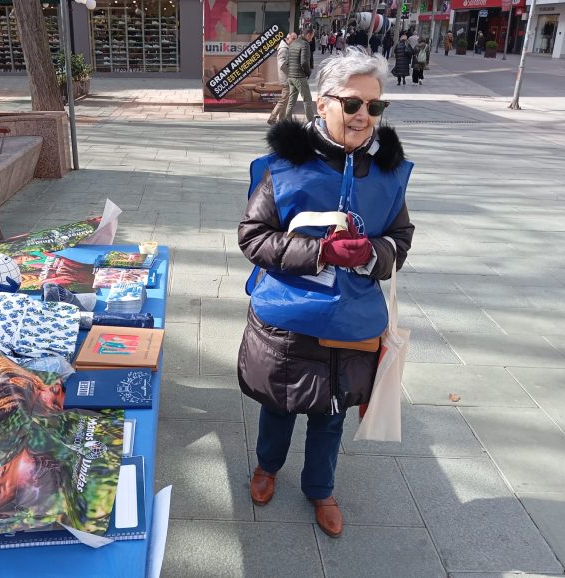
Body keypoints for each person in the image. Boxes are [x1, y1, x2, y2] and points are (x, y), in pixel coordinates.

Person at [238, 50, 415, 538]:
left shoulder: (388, 173)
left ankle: (320, 488)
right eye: (353, 103)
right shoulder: (284, 167)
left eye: (375, 107)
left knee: (331, 413)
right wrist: (317, 253)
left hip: (352, 321)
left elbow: (400, 240)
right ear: (322, 103)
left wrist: (369, 252)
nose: (364, 116)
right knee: (279, 404)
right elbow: (253, 237)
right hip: (288, 318)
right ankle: (267, 466)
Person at [285, 28, 316, 122]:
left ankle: (287, 120)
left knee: (291, 100)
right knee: (307, 99)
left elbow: (287, 62)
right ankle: (311, 121)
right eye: (312, 37)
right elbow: (304, 62)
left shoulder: (293, 43)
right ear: (308, 35)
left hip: (291, 76)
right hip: (299, 76)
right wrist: (308, 73)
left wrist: (291, 72)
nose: (311, 39)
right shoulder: (305, 44)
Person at [268, 32, 299, 126]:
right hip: (286, 79)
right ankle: (272, 118)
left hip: (287, 78)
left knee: (285, 101)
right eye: (293, 39)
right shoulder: (284, 49)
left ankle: (281, 120)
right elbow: (282, 65)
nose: (294, 41)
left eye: (295, 39)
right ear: (287, 39)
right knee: (283, 100)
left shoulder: (286, 48)